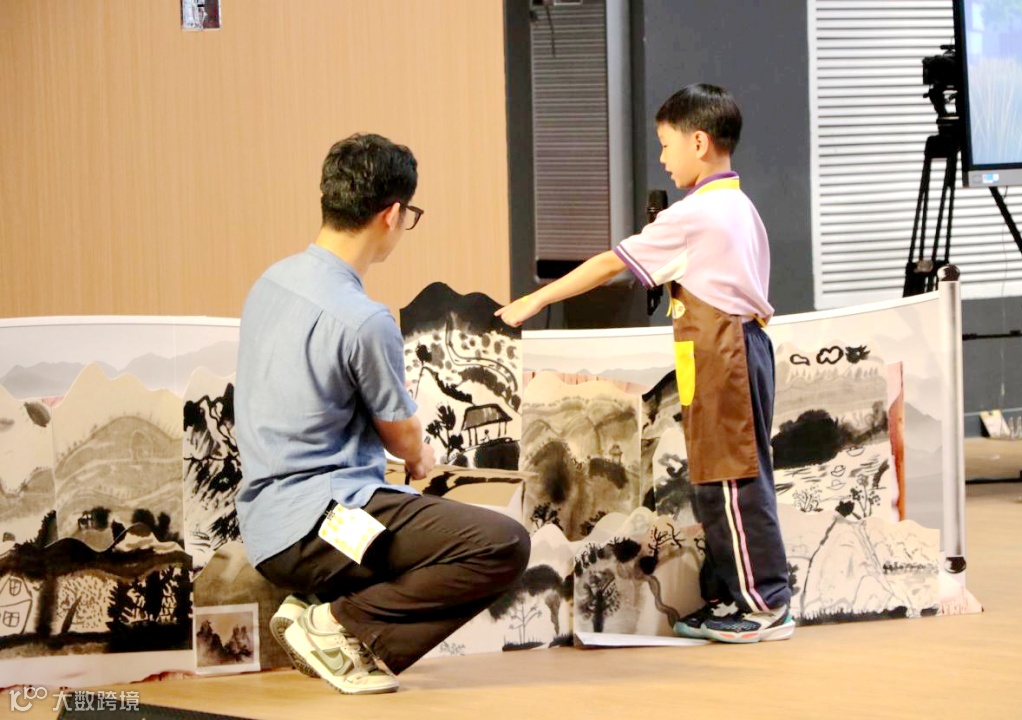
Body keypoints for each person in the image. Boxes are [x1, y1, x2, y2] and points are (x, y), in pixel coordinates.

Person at [234, 133, 530, 695]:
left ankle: (323, 618)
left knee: (416, 520)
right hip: (323, 524)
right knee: (502, 544)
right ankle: (337, 629)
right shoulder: (363, 320)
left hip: (265, 526)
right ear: (393, 214)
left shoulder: (270, 283)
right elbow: (403, 440)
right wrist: (421, 456)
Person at [497, 84, 793, 644]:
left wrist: (536, 299)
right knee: (719, 479)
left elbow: (611, 263)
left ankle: (765, 605)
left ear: (699, 142)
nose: (661, 157)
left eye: (665, 144)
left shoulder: (695, 215)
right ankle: (734, 596)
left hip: (724, 353)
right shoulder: (739, 205)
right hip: (732, 349)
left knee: (733, 482)